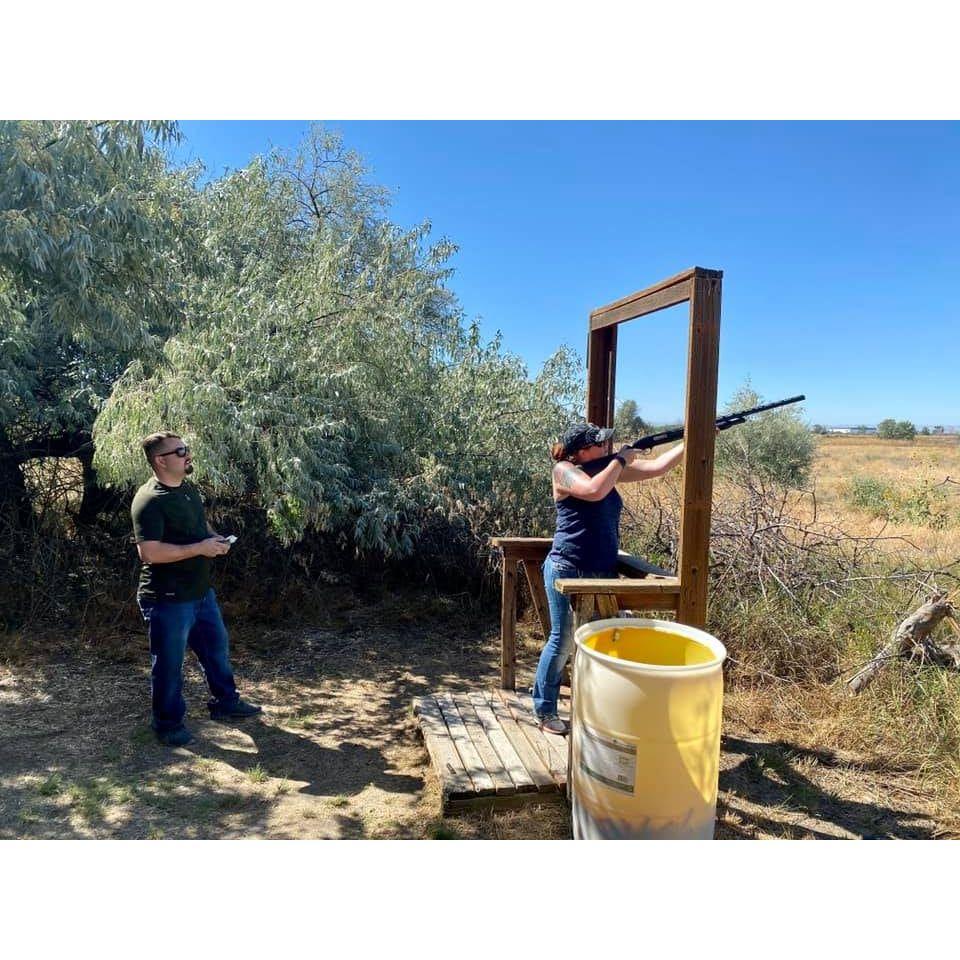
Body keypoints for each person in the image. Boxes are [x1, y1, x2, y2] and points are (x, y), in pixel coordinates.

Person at [532, 421, 685, 734]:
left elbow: (657, 467)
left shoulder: (607, 467)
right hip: (567, 566)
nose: (607, 447)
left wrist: (696, 439)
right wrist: (621, 460)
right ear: (582, 451)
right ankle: (545, 710)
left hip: (602, 569)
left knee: (603, 638)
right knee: (562, 641)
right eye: (600, 445)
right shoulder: (564, 470)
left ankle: (602, 707)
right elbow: (592, 491)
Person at [130, 431, 262, 746]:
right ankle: (167, 724)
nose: (188, 455)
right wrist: (200, 548)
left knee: (217, 651)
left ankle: (226, 703)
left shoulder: (187, 489)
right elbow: (149, 553)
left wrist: (213, 539)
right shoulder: (149, 501)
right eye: (180, 452)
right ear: (161, 460)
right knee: (169, 665)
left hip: (201, 593)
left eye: (186, 449)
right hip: (167, 599)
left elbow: (199, 527)